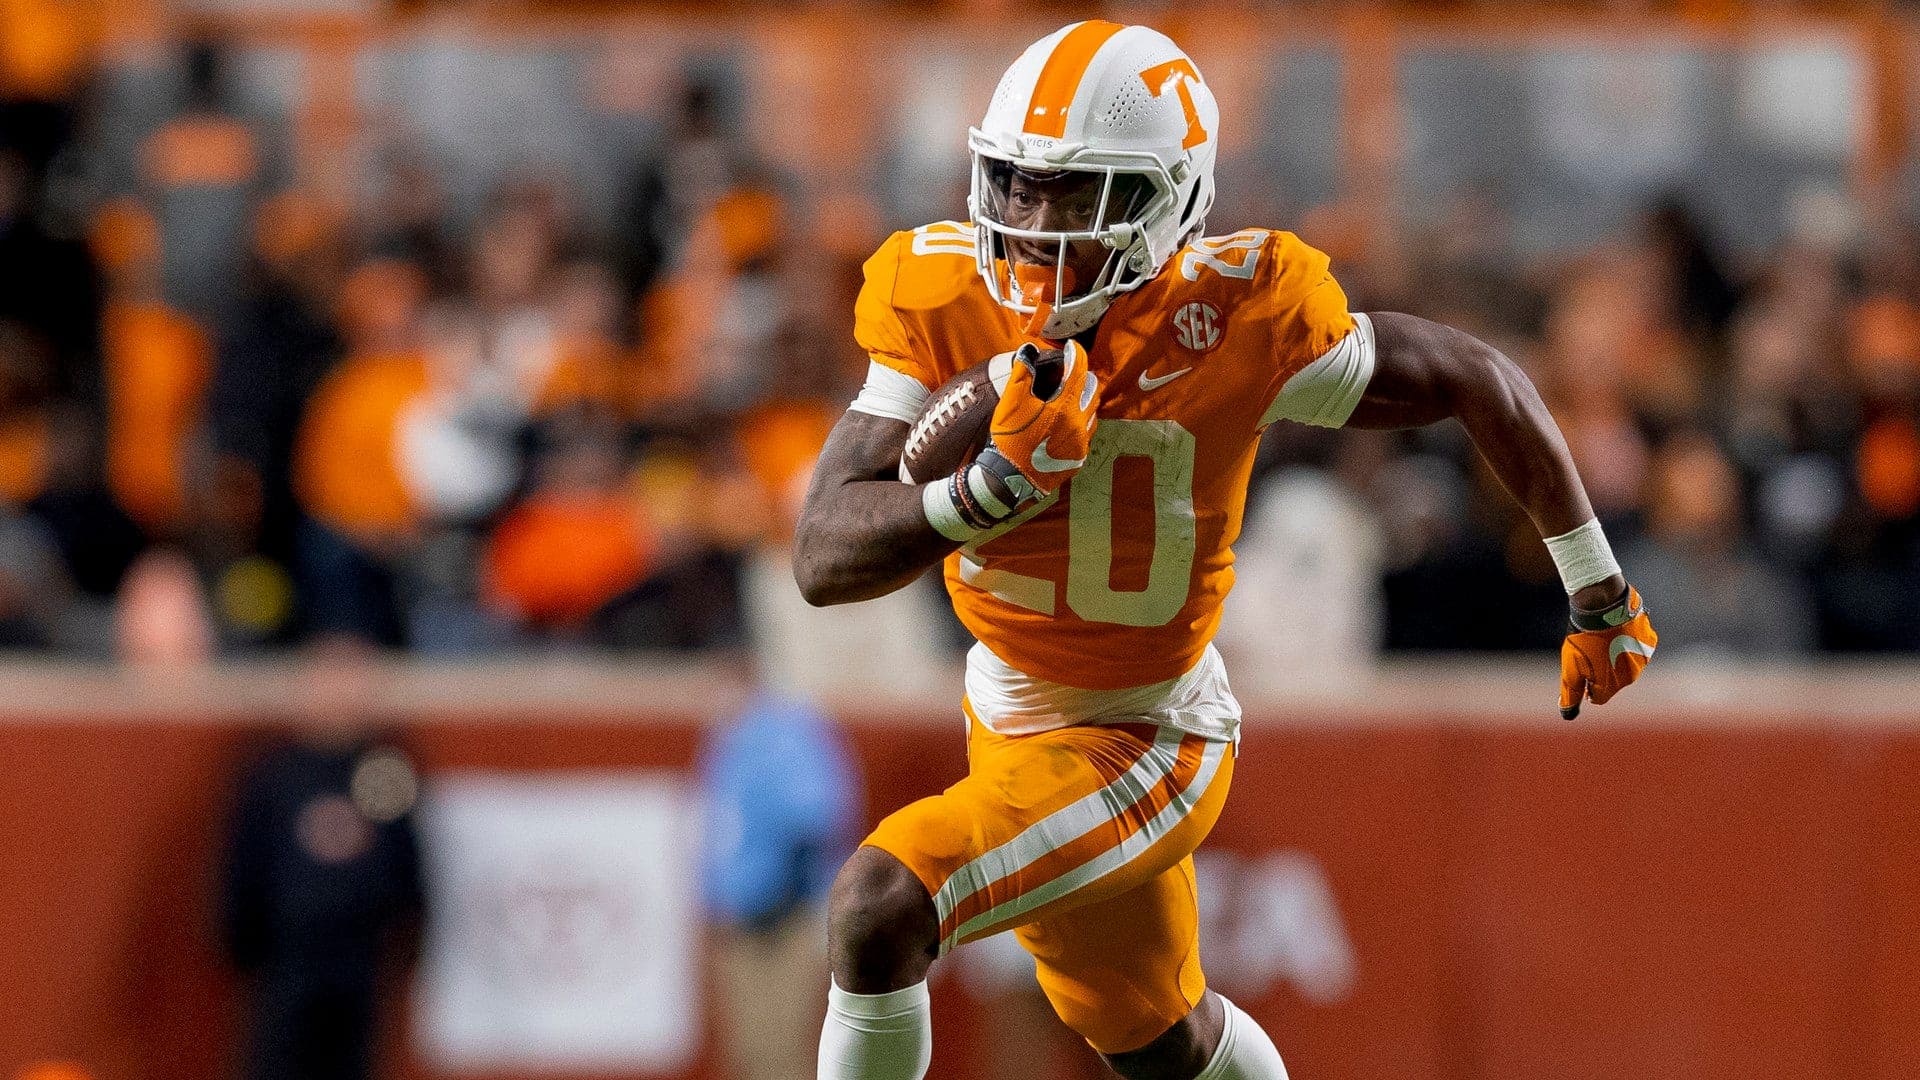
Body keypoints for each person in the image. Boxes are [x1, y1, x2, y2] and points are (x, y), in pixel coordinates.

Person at [793, 21, 1660, 1080]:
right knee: (1164, 1041)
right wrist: (983, 495)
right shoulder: (945, 297)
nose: (1032, 224)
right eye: (1016, 184)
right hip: (1007, 710)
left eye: (1079, 196)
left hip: (1150, 734)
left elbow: (1480, 378)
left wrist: (1597, 591)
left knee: (881, 908)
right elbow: (823, 556)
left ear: (1171, 202)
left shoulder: (1239, 315)